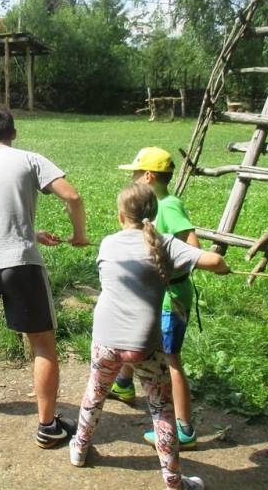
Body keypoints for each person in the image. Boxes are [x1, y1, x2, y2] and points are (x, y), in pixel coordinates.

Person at [69, 183, 228, 489]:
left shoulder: (107, 243)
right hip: (144, 344)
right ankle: (174, 482)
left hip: (105, 338)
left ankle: (79, 449)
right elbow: (214, 262)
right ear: (153, 214)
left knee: (94, 394)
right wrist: (223, 268)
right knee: (161, 410)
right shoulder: (165, 244)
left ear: (120, 216)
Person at [0, 103, 88, 448]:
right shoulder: (30, 159)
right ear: (13, 133)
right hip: (21, 262)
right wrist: (79, 234)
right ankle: (47, 426)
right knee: (42, 342)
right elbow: (73, 197)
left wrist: (32, 232)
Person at [110, 147, 202, 450]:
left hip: (170, 298)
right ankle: (123, 385)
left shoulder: (169, 206)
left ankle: (184, 429)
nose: (133, 179)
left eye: (136, 174)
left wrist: (166, 266)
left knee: (170, 360)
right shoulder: (152, 208)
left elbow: (193, 249)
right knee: (138, 337)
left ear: (148, 176)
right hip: (154, 294)